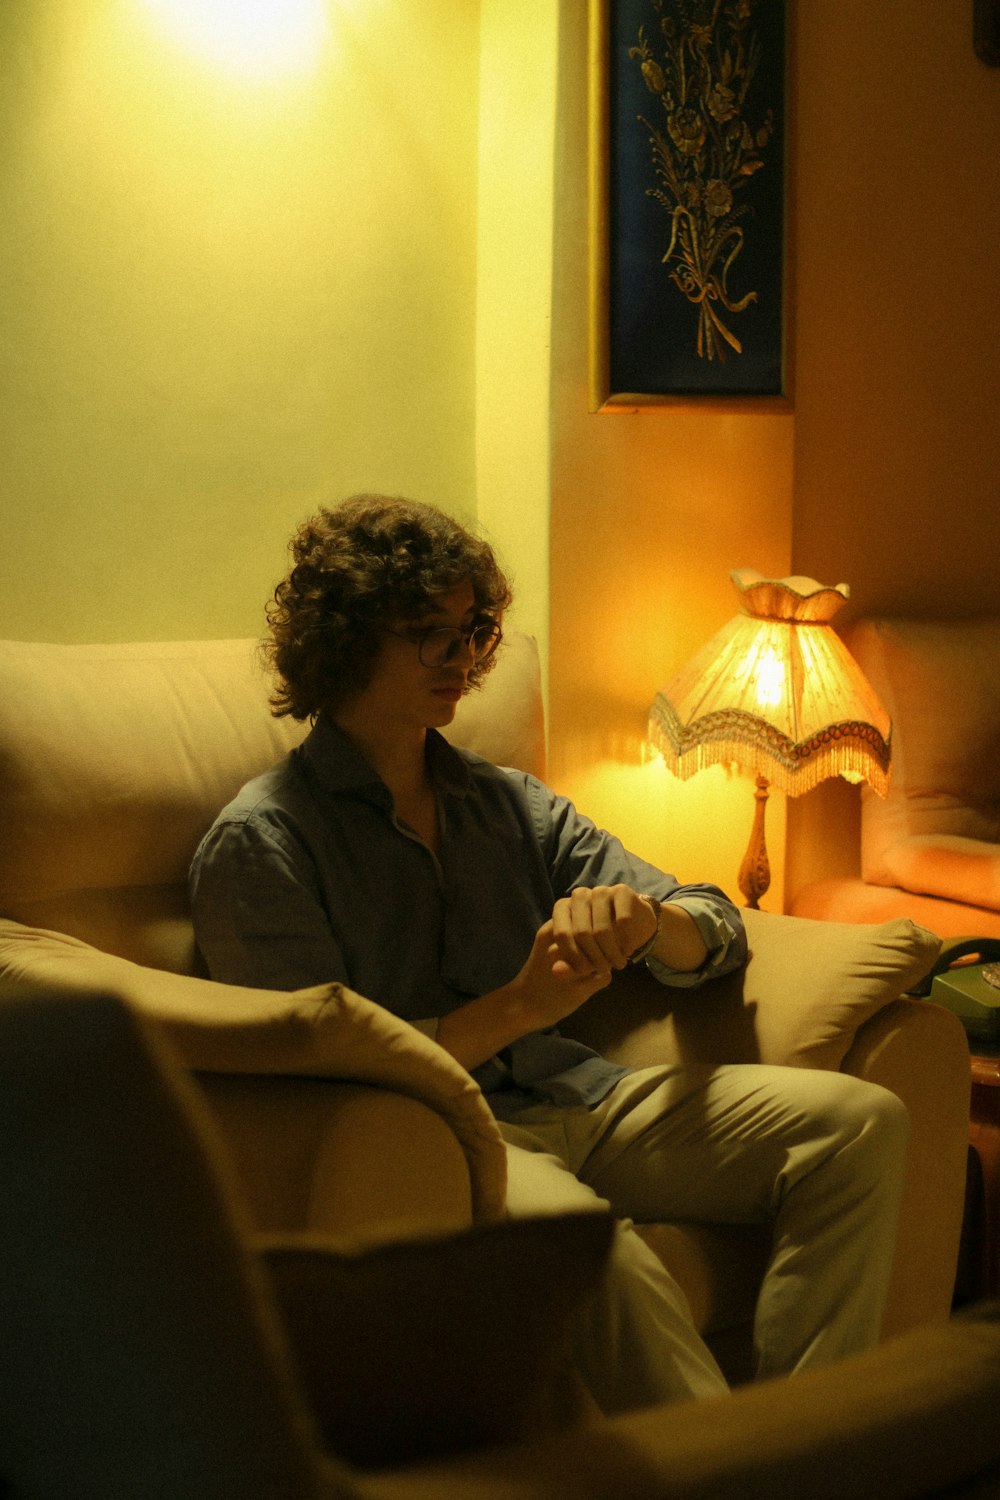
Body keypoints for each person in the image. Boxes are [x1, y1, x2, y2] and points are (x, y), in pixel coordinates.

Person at [190, 494, 910, 1415]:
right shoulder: (263, 842)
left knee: (857, 1122)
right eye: (429, 633)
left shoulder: (509, 804)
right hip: (439, 1134)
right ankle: (724, 1479)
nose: (462, 660)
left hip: (586, 1095)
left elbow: (713, 919)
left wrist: (650, 925)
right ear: (345, 640)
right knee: (596, 1251)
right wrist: (520, 1007)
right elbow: (322, 1077)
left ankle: (803, 1440)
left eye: (474, 630)